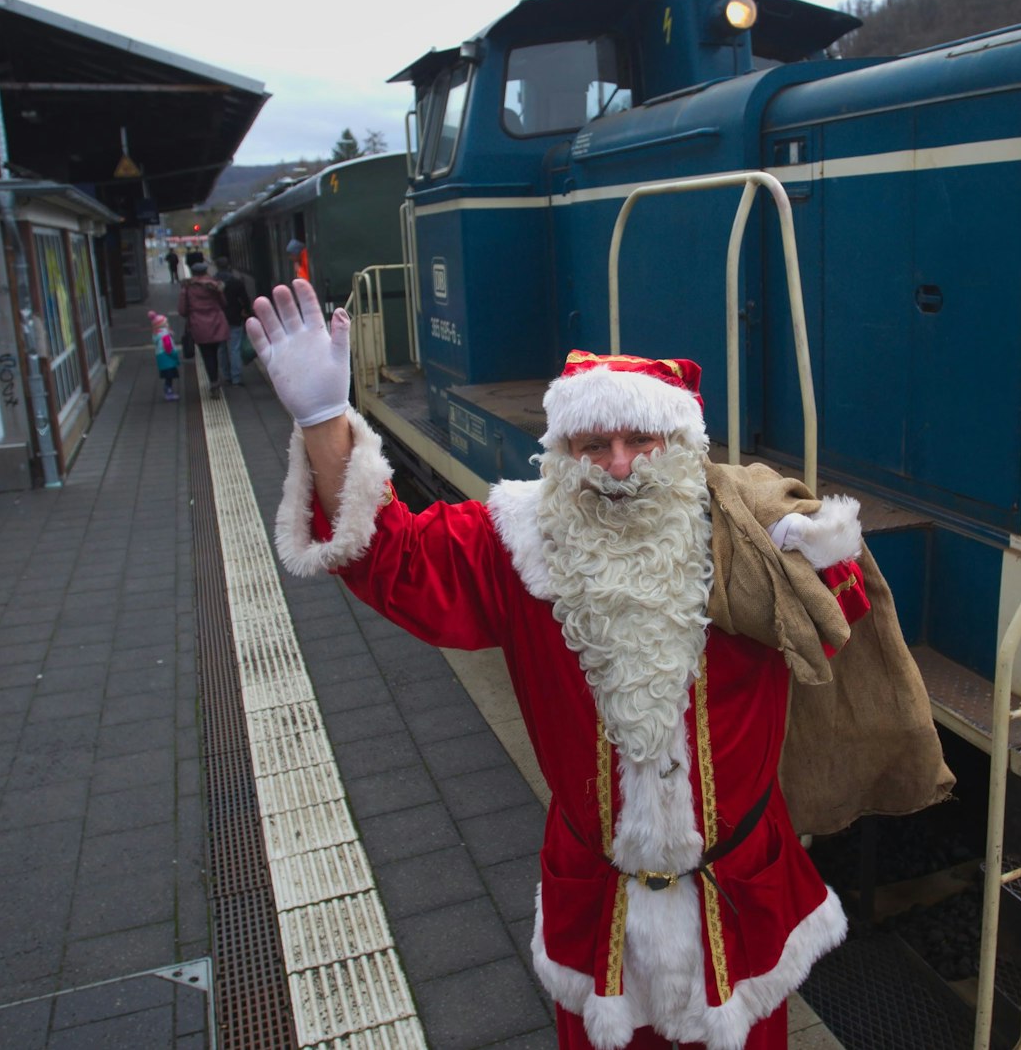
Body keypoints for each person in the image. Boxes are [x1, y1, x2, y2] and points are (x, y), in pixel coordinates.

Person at [249, 279, 950, 1050]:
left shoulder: (750, 542)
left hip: (739, 901)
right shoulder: (518, 539)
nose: (618, 467)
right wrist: (322, 420)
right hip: (601, 910)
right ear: (563, 452)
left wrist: (816, 544)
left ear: (680, 445)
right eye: (593, 445)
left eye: (639, 440)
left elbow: (845, 624)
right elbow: (390, 555)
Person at [176, 261, 230, 399]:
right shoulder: (214, 285)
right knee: (215, 353)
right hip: (217, 323)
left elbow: (182, 310)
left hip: (198, 325)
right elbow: (224, 303)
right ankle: (216, 379)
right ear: (206, 271)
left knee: (207, 355)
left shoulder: (187, 288)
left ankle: (213, 382)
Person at [214, 256, 254, 387]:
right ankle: (236, 378)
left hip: (217, 319)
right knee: (235, 348)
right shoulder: (236, 282)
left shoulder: (211, 283)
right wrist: (247, 312)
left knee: (221, 349)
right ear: (228, 266)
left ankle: (226, 376)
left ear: (217, 267)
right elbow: (245, 299)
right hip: (235, 318)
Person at [149, 311, 181, 401]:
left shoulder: (157, 334)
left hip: (161, 359)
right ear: (162, 325)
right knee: (169, 377)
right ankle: (168, 392)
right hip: (168, 360)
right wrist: (175, 356)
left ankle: (168, 391)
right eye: (166, 323)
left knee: (168, 377)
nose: (168, 324)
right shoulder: (165, 335)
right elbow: (169, 348)